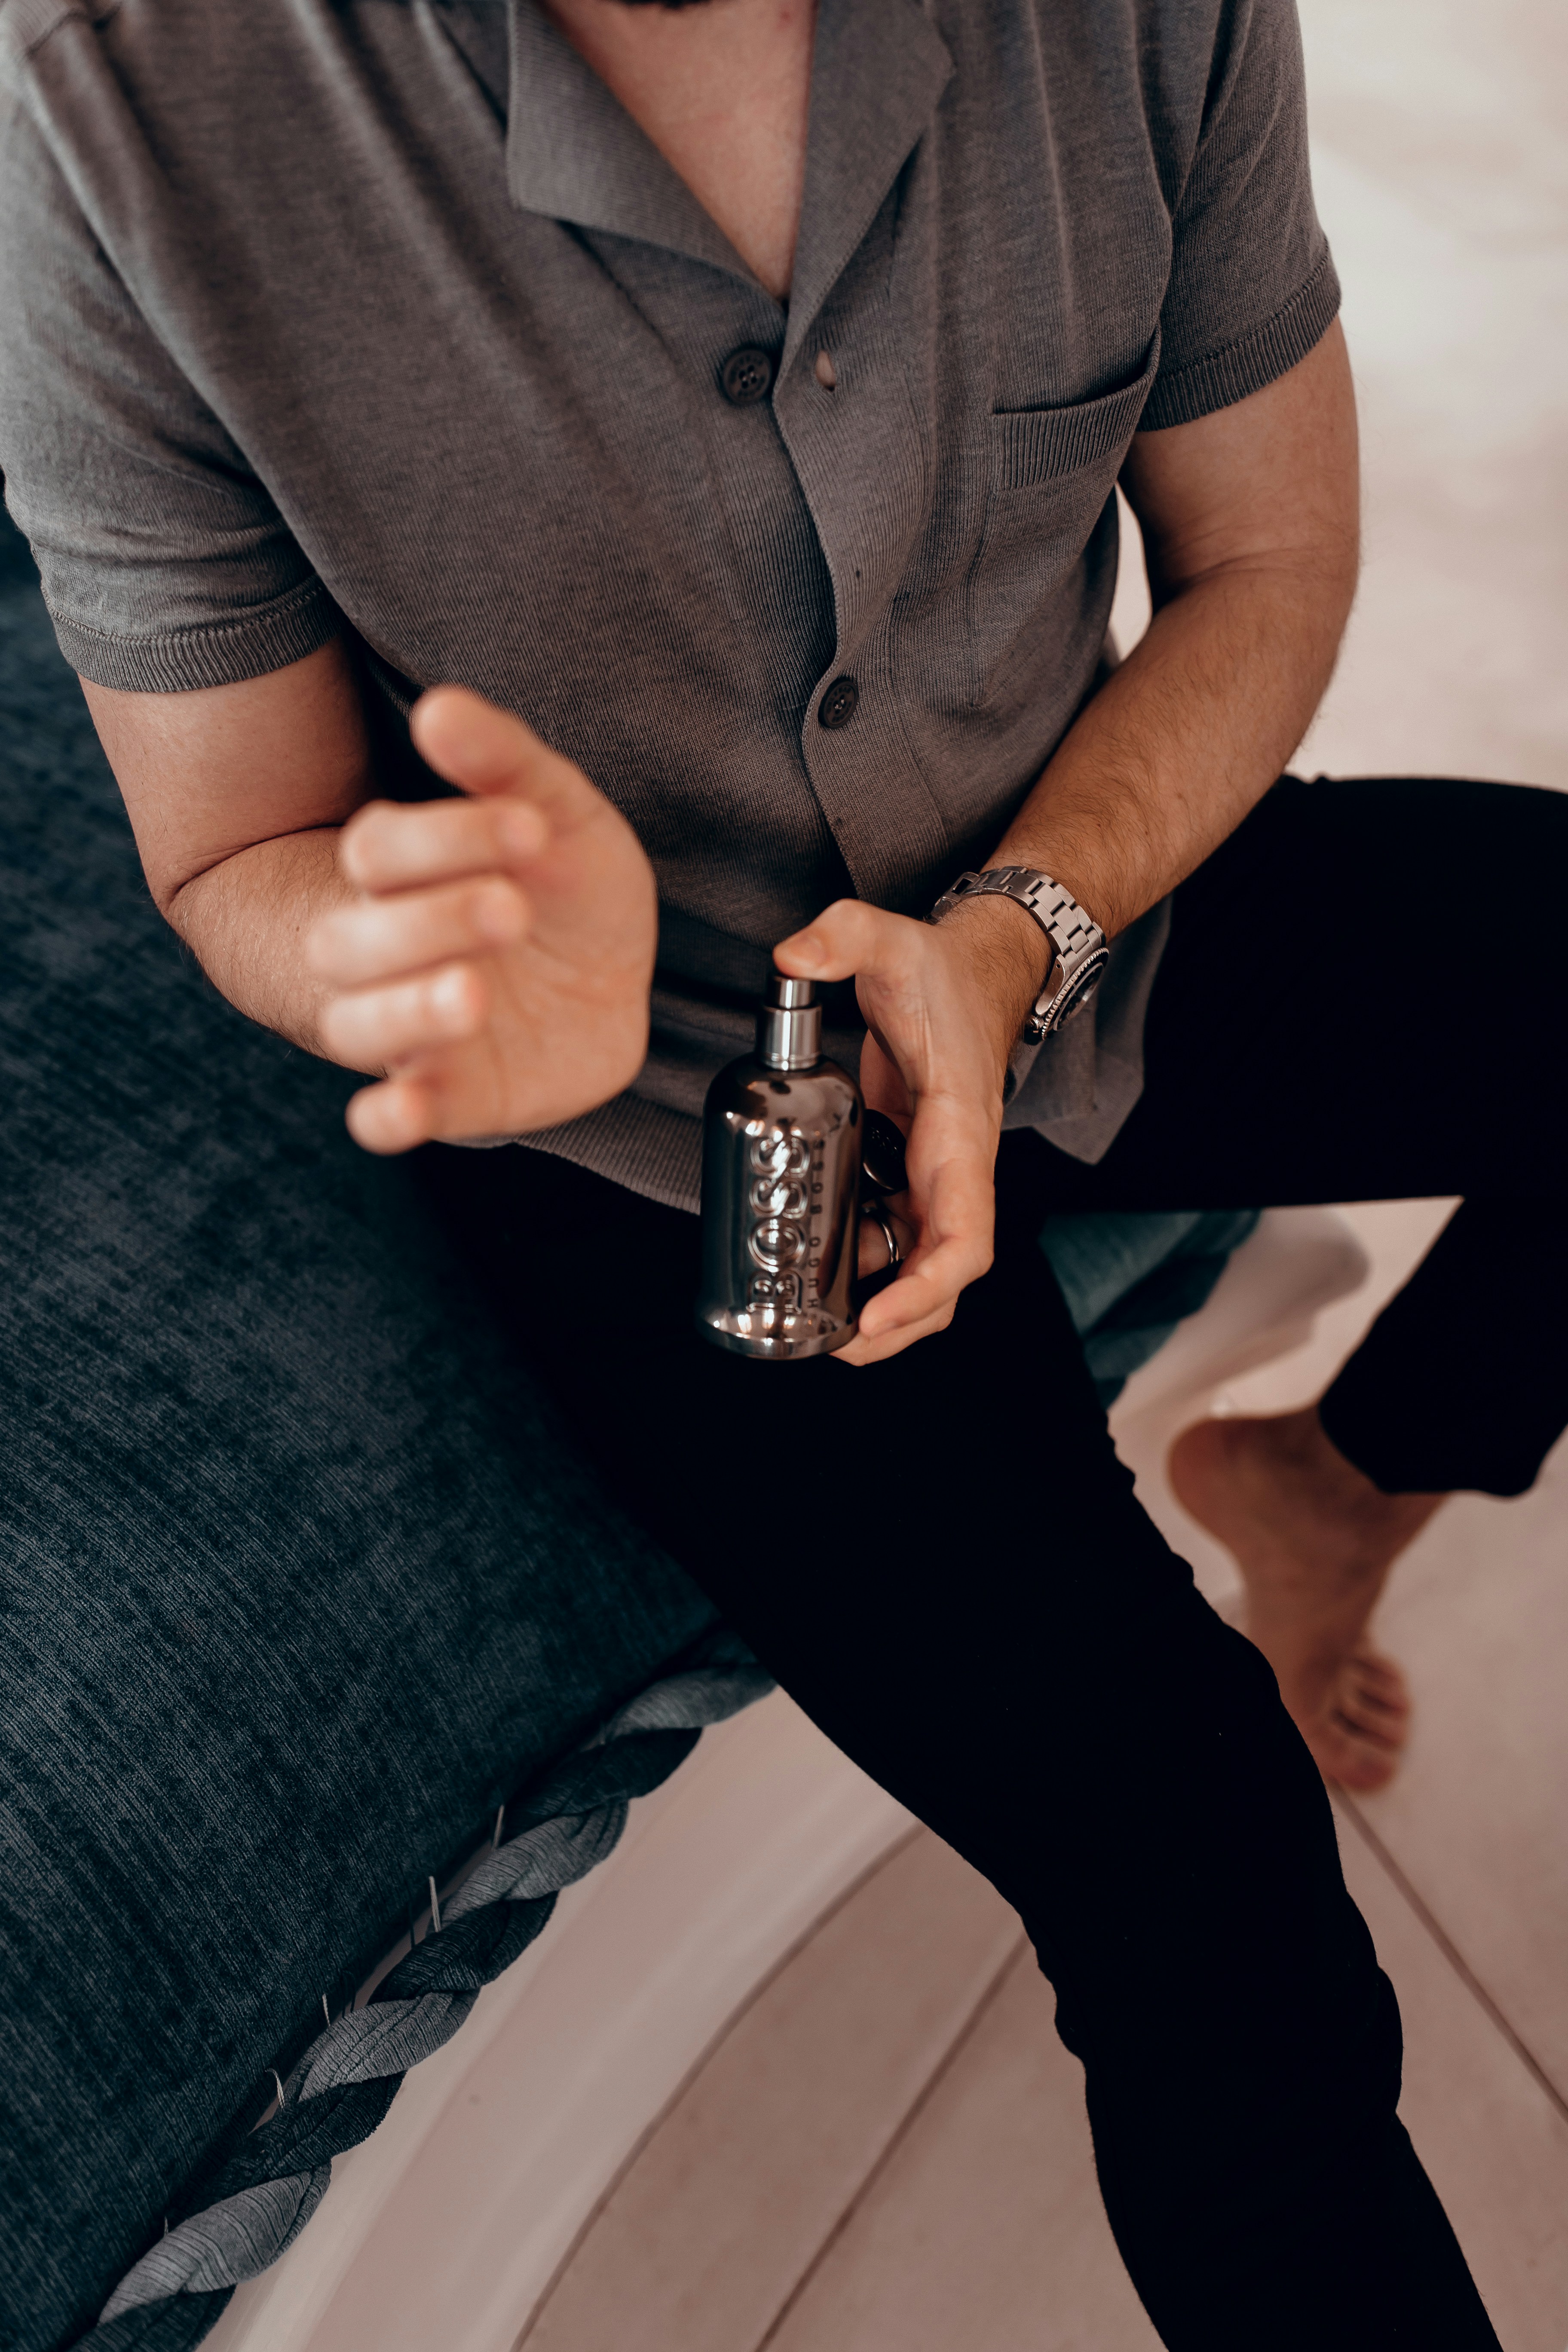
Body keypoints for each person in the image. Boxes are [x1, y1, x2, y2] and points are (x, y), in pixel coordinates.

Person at [3, 0, 1560, 2338]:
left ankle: (1345, 1481)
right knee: (1199, 1880)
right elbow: (239, 850)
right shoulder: (108, 91)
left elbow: (1268, 559)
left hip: (1088, 911)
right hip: (631, 1113)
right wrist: (418, 978)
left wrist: (1012, 939)